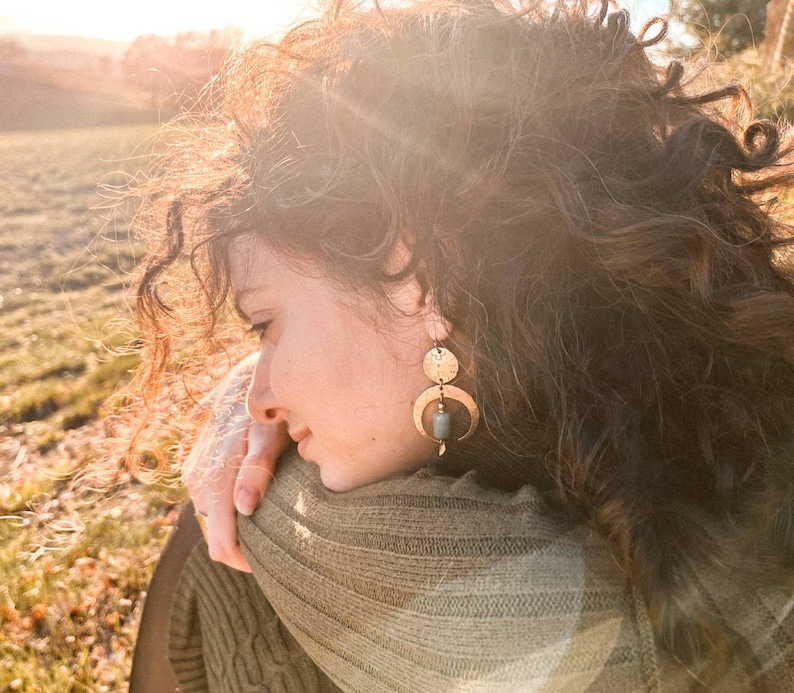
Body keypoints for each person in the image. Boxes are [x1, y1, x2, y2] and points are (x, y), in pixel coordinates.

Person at [125, 0, 794, 689]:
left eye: (265, 325)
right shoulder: (699, 411)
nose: (257, 394)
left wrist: (252, 506)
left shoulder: (569, 619)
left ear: (417, 274)